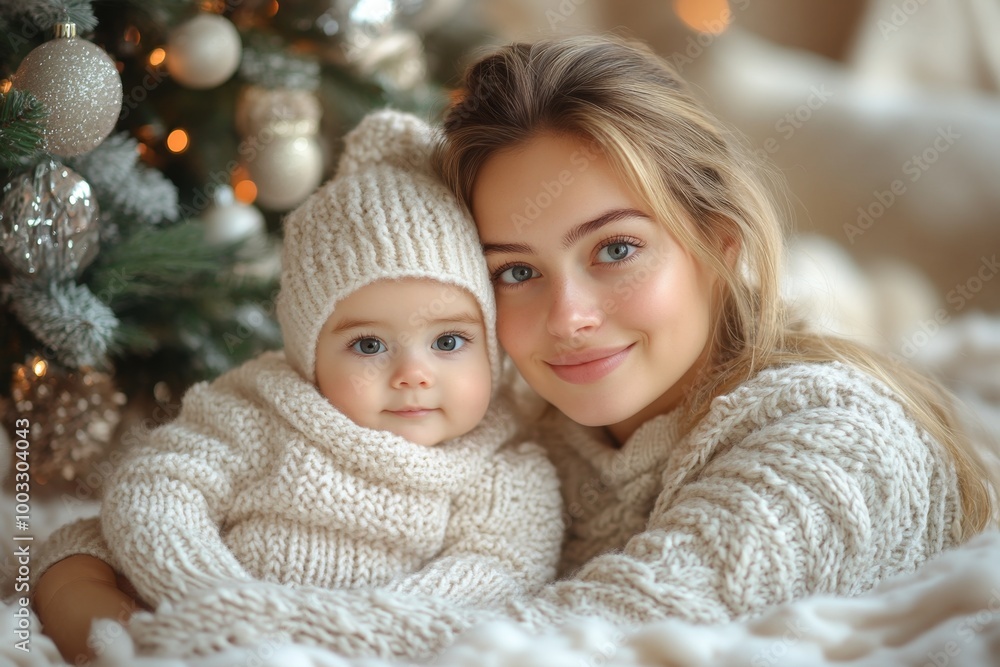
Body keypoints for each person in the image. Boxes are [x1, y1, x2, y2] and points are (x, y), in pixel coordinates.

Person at [35, 34, 1000, 663]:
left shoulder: (833, 442)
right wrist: (78, 572)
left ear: (719, 244)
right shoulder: (531, 429)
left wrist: (182, 630)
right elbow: (216, 499)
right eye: (514, 270)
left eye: (615, 249)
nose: (570, 315)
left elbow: (562, 641)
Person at [30, 109, 564, 662]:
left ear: (493, 348)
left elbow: (500, 569)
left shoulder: (504, 460)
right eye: (369, 346)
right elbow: (156, 487)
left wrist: (342, 628)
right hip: (209, 597)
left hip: (367, 634)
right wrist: (216, 599)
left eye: (449, 342)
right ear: (308, 355)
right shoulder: (261, 409)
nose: (414, 374)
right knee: (76, 562)